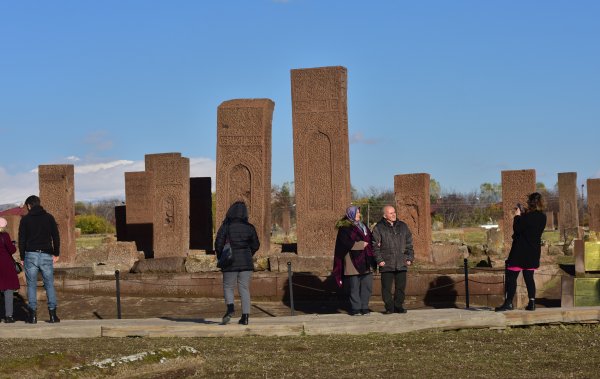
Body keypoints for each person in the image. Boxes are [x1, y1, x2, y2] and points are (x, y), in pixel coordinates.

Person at [495, 192, 546, 312]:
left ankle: (508, 303)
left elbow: (518, 228)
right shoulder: (543, 217)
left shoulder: (525, 217)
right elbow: (530, 228)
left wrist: (518, 216)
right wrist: (523, 215)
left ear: (530, 203)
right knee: (529, 277)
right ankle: (532, 303)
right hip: (533, 251)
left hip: (520, 251)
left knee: (512, 277)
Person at [214, 201, 259, 325]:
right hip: (246, 262)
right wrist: (249, 254)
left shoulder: (226, 226)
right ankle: (245, 317)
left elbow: (218, 243)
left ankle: (230, 309)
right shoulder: (250, 227)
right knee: (244, 288)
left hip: (229, 262)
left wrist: (221, 255)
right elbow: (256, 245)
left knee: (228, 286)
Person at [18, 195, 61, 323]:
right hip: (47, 255)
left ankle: (32, 316)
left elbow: (22, 240)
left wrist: (22, 257)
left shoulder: (25, 220)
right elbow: (56, 237)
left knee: (31, 285)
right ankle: (53, 316)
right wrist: (56, 253)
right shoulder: (49, 218)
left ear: (29, 205)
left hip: (30, 255)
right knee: (49, 285)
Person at [332, 206, 376, 316]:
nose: (359, 215)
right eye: (357, 213)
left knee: (367, 285)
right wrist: (361, 245)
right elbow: (345, 243)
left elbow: (370, 238)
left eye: (359, 213)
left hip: (366, 259)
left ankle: (365, 307)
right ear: (351, 214)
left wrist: (374, 243)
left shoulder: (363, 226)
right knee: (354, 286)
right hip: (352, 260)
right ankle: (356, 308)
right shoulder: (345, 228)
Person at [372, 205, 414, 314]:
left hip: (401, 261)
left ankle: (398, 306)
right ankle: (389, 308)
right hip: (386, 262)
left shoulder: (403, 226)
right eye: (391, 213)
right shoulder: (378, 228)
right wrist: (379, 260)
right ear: (385, 215)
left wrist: (409, 257)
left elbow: (409, 243)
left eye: (394, 212)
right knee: (386, 288)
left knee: (400, 287)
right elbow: (374, 246)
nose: (394, 214)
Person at [0, 217, 20, 323]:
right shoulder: (5, 236)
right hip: (6, 265)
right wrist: (13, 245)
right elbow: (12, 250)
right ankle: (9, 316)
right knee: (8, 290)